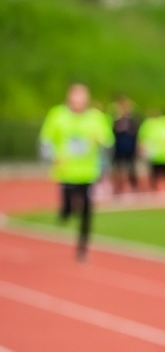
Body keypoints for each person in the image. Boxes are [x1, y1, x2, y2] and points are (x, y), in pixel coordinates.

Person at [38, 82, 111, 260]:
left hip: (88, 174)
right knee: (68, 210)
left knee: (87, 213)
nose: (78, 104)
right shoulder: (57, 115)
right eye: (75, 100)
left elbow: (107, 142)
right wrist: (51, 156)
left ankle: (82, 249)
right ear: (69, 99)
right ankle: (65, 212)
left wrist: (102, 148)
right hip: (66, 173)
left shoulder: (96, 117)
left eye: (82, 100)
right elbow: (45, 141)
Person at [110, 94, 140, 192]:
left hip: (130, 148)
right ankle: (119, 187)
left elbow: (136, 134)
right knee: (118, 168)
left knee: (131, 168)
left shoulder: (132, 121)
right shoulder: (115, 120)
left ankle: (132, 187)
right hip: (119, 148)